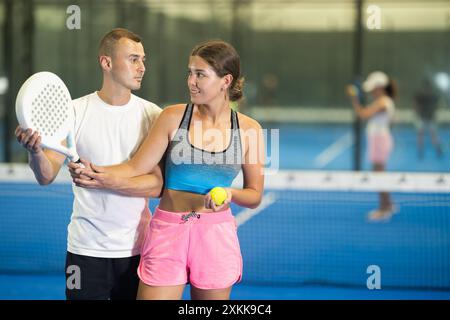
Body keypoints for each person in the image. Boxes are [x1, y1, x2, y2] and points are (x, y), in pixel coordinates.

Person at [72, 40, 265, 300]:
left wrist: (230, 193)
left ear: (225, 80)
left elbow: (254, 195)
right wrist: (97, 173)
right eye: (190, 73)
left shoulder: (249, 130)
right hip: (168, 232)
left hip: (216, 237)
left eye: (200, 75)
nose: (191, 81)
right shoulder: (172, 117)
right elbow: (135, 166)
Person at [15, 28, 163, 300]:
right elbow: (46, 175)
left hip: (139, 250)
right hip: (85, 251)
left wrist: (107, 180)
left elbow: (159, 185)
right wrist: (35, 152)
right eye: (133, 59)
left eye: (143, 59)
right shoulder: (74, 111)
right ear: (106, 63)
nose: (142, 67)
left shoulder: (153, 115)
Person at [347, 71, 397, 222]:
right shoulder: (383, 101)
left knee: (379, 175)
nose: (371, 92)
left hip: (379, 141)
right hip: (379, 140)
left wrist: (354, 98)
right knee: (379, 174)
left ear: (380, 87)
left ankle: (384, 209)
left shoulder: (383, 102)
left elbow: (363, 114)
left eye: (373, 89)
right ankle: (388, 204)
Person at [414, 78, 444, 159]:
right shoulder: (429, 95)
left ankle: (434, 149)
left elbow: (417, 105)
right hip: (426, 117)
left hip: (427, 117)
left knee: (428, 134)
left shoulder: (425, 95)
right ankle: (424, 150)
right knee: (426, 134)